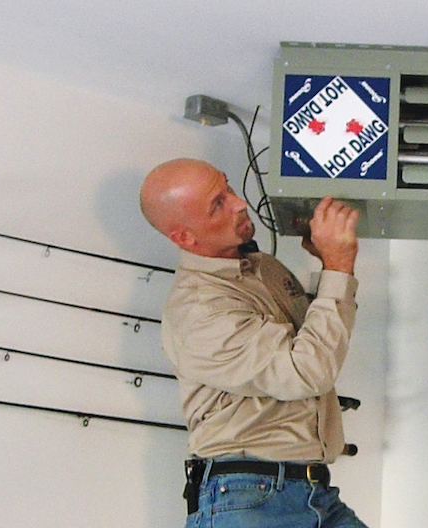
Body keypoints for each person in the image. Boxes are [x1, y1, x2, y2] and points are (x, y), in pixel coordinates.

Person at [139, 158, 367, 528]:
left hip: (312, 491)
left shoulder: (265, 268)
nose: (238, 202)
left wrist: (330, 264)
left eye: (228, 188)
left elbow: (318, 338)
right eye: (218, 204)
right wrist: (338, 266)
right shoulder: (200, 309)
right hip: (248, 498)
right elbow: (308, 371)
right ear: (184, 237)